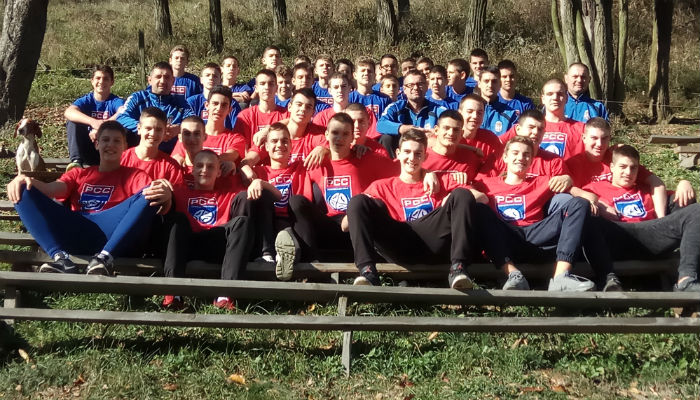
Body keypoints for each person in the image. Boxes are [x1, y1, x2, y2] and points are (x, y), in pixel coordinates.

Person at [7, 121, 172, 275]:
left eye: (117, 141)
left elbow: (151, 198)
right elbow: (51, 189)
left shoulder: (135, 176)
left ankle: (104, 259)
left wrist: (165, 194)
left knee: (150, 192)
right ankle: (61, 259)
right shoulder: (79, 174)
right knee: (21, 188)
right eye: (105, 140)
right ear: (96, 144)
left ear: (125, 146)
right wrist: (23, 180)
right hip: (77, 229)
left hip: (113, 233)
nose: (111, 145)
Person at [347, 129, 481, 288]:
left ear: (425, 157)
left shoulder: (439, 181)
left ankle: (459, 268)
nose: (412, 158)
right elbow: (345, 224)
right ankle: (367, 272)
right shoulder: (381, 186)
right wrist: (368, 207)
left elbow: (482, 198)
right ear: (398, 153)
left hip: (434, 241)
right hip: (398, 243)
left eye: (418, 154)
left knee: (462, 194)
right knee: (358, 201)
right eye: (407, 152)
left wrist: (449, 198)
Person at [273, 113, 398, 277]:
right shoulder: (315, 162)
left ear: (353, 137)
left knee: (358, 203)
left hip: (358, 228)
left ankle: (367, 270)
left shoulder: (366, 158)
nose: (339, 138)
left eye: (345, 134)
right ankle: (313, 265)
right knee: (296, 201)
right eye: (335, 133)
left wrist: (428, 174)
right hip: (330, 227)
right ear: (326, 135)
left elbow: (404, 172)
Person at [472, 136, 598, 292]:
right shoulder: (485, 184)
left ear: (532, 160)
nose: (521, 158)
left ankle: (561, 277)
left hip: (536, 236)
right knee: (479, 209)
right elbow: (461, 196)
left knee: (579, 203)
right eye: (515, 153)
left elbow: (589, 197)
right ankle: (513, 275)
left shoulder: (542, 181)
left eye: (526, 155)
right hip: (506, 238)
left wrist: (569, 181)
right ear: (505, 157)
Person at [583, 145, 699, 292]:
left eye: (633, 168)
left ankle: (686, 280)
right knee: (586, 215)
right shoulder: (594, 188)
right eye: (623, 167)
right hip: (616, 235)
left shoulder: (646, 189)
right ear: (612, 167)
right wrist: (594, 202)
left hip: (651, 235)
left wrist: (684, 183)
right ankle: (607, 278)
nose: (628, 172)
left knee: (696, 211)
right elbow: (578, 203)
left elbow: (678, 200)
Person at [163, 150, 261, 310]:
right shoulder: (178, 191)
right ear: (192, 170)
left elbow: (253, 182)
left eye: (210, 167)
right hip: (188, 244)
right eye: (199, 166)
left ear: (219, 172)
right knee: (177, 219)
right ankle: (174, 293)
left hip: (217, 244)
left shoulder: (230, 191)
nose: (204, 170)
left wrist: (257, 181)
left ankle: (225, 295)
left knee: (242, 222)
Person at [567, 117, 695, 218]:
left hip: (635, 207)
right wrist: (600, 205)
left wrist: (683, 183)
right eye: (594, 138)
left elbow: (656, 183)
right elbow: (569, 191)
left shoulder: (618, 157)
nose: (599, 144)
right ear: (584, 138)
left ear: (610, 138)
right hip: (604, 217)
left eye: (604, 138)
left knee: (684, 199)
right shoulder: (574, 164)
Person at [116, 62, 194, 153]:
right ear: (150, 80)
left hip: (172, 153)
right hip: (141, 150)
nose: (162, 81)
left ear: (173, 81)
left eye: (167, 77)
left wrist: (179, 128)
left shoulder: (181, 102)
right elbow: (122, 117)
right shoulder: (138, 97)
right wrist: (145, 127)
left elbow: (193, 122)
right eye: (158, 77)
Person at [243, 88, 326, 169]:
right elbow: (247, 161)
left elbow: (331, 143)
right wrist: (248, 171)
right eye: (299, 104)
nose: (303, 109)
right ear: (289, 107)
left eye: (308, 107)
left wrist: (324, 149)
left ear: (313, 113)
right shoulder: (274, 134)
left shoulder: (317, 134)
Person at [64, 65, 125, 168]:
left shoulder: (115, 101)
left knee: (125, 122)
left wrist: (101, 129)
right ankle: (76, 162)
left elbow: (123, 112)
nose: (101, 82)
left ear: (112, 82)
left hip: (109, 149)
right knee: (72, 122)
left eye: (105, 79)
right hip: (88, 148)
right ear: (92, 81)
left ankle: (126, 161)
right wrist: (93, 122)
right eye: (98, 78)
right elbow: (69, 112)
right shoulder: (86, 100)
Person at [173, 86, 246, 172]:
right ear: (207, 105)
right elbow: (176, 158)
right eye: (215, 103)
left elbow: (230, 155)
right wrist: (177, 159)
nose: (219, 108)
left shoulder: (235, 138)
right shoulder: (190, 134)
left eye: (224, 105)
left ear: (230, 110)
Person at [377, 70, 447, 157]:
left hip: (428, 154)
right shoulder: (395, 107)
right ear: (404, 89)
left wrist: (436, 133)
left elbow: (451, 125)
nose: (415, 88)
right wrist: (403, 128)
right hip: (401, 154)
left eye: (420, 84)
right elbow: (380, 124)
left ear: (426, 86)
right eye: (410, 85)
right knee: (386, 138)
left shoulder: (438, 109)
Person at [120, 107, 184, 185]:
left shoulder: (171, 165)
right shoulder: (121, 159)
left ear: (164, 133)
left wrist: (168, 192)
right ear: (139, 129)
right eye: (148, 128)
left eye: (158, 130)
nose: (153, 134)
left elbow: (178, 191)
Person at [231, 69, 289, 150]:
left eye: (271, 84)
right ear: (256, 88)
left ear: (276, 87)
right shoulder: (245, 116)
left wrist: (269, 129)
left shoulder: (286, 115)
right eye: (262, 84)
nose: (267, 87)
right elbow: (239, 148)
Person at [422, 110, 484, 183]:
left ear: (461, 134)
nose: (451, 133)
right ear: (436, 130)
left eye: (456, 130)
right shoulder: (421, 157)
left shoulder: (471, 159)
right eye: (446, 128)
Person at [536, 78, 586, 160]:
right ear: (543, 99)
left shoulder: (582, 129)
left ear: (566, 98)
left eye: (560, 94)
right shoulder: (531, 127)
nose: (555, 97)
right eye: (550, 94)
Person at [458, 94, 504, 176]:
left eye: (479, 113)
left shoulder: (490, 139)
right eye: (470, 111)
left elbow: (501, 167)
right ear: (460, 113)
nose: (475, 116)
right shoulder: (449, 136)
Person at [187, 63, 241, 130]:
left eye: (215, 76)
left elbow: (237, 128)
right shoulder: (192, 102)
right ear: (201, 80)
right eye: (207, 75)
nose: (211, 78)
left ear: (220, 80)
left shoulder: (231, 103)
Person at [477, 65, 518, 137]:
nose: (490, 85)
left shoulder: (511, 114)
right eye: (486, 81)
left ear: (500, 84)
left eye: (494, 81)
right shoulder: (469, 111)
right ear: (479, 83)